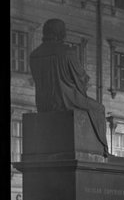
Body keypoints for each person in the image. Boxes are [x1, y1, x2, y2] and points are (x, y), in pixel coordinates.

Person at [29, 18, 109, 155]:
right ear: (60, 33)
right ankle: (102, 151)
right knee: (99, 109)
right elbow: (81, 79)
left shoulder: (34, 55)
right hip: (67, 100)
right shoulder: (67, 51)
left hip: (44, 104)